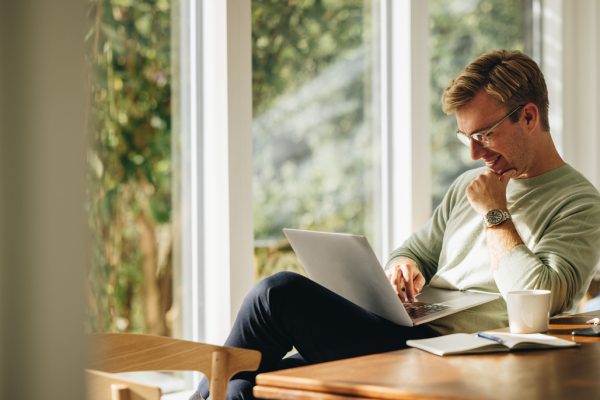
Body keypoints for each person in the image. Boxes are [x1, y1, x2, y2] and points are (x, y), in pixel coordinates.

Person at [190, 50, 600, 400]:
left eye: (485, 135)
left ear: (529, 116)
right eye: (465, 138)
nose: (474, 153)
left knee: (276, 294)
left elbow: (549, 297)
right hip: (403, 328)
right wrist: (403, 266)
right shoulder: (466, 188)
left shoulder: (579, 202)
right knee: (244, 388)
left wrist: (495, 214)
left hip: (453, 350)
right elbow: (416, 250)